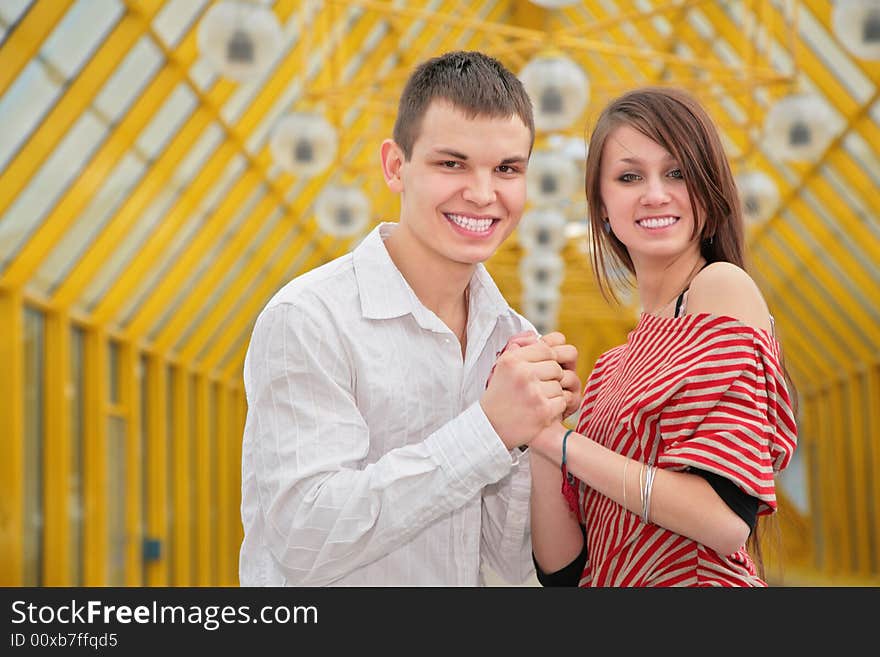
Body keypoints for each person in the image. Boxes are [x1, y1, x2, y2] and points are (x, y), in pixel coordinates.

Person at [238, 50, 581, 586]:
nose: (484, 193)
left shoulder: (514, 338)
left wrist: (539, 437)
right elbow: (306, 535)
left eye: (507, 169)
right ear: (396, 167)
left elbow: (503, 564)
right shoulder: (308, 319)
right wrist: (490, 429)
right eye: (453, 163)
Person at [525, 86, 798, 587]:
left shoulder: (719, 288)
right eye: (629, 177)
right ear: (602, 206)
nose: (655, 193)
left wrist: (561, 442)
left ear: (708, 190)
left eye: (676, 172)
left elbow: (722, 518)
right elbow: (564, 570)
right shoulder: (612, 366)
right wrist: (540, 427)